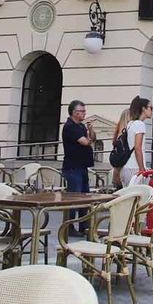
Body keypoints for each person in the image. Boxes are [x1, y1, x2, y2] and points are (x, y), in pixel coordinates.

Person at [61, 100, 95, 235]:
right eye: (82, 112)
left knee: (84, 197)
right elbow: (85, 142)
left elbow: (92, 138)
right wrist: (88, 139)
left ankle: (83, 225)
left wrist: (90, 129)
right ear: (75, 113)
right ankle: (69, 226)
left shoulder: (81, 126)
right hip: (73, 167)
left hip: (82, 166)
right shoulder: (70, 127)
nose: (84, 114)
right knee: (74, 197)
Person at [120, 97, 151, 186]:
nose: (151, 111)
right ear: (143, 109)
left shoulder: (131, 124)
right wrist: (142, 169)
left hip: (126, 166)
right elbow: (138, 148)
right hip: (135, 168)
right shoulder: (140, 124)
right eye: (150, 108)